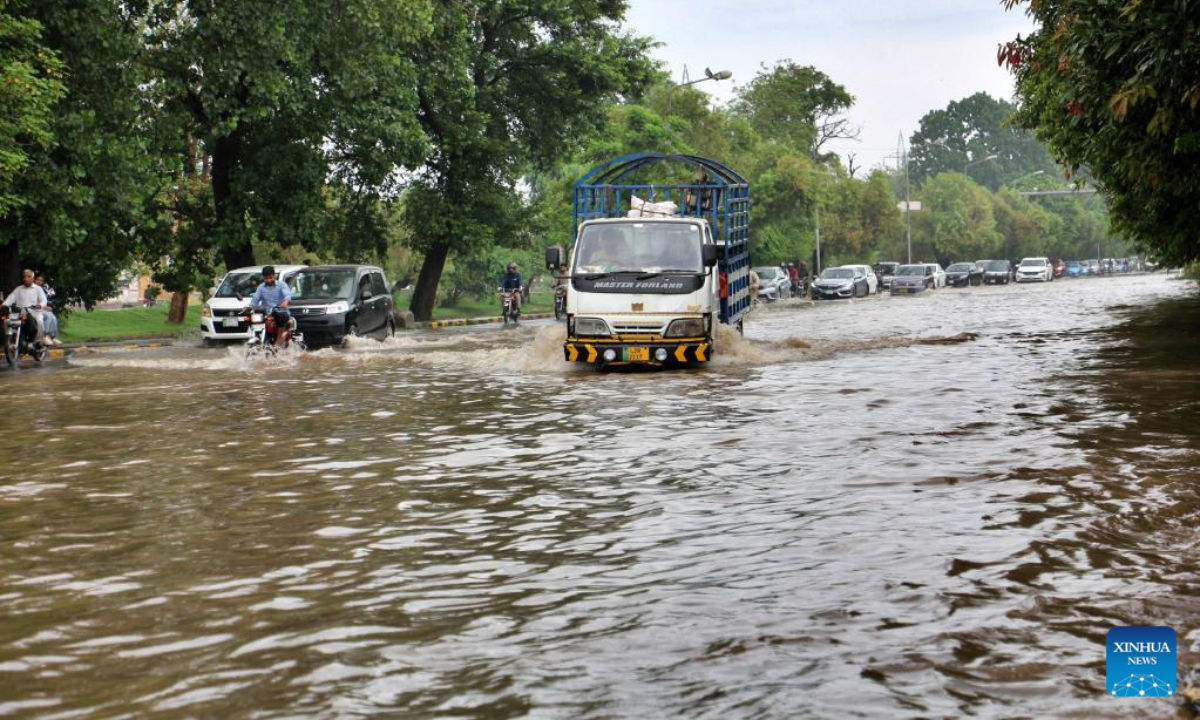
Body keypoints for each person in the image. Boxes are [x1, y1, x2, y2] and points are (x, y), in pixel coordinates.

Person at [248, 266, 293, 349]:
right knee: (253, 317)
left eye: (270, 278)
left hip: (281, 312)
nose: (268, 280)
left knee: (279, 314)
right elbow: (255, 299)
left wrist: (286, 301)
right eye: (266, 278)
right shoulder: (261, 287)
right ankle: (258, 339)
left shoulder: (281, 285)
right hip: (267, 314)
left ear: (274, 275)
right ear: (263, 277)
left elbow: (287, 295)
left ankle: (277, 343)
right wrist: (250, 306)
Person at [3, 269, 48, 348]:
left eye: (28, 277)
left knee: (40, 321)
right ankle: (11, 339)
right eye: (24, 277)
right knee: (7, 322)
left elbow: (44, 300)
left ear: (33, 279)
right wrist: (4, 305)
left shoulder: (38, 289)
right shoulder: (18, 289)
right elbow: (10, 299)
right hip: (21, 313)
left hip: (35, 313)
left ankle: (39, 341)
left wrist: (40, 305)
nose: (26, 278)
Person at [33, 273, 61, 345]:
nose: (40, 282)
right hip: (34, 310)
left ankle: (52, 337)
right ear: (34, 280)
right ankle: (44, 336)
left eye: (41, 280)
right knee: (48, 316)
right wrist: (44, 307)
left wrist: (47, 307)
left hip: (41, 309)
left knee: (53, 317)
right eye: (38, 280)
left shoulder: (41, 289)